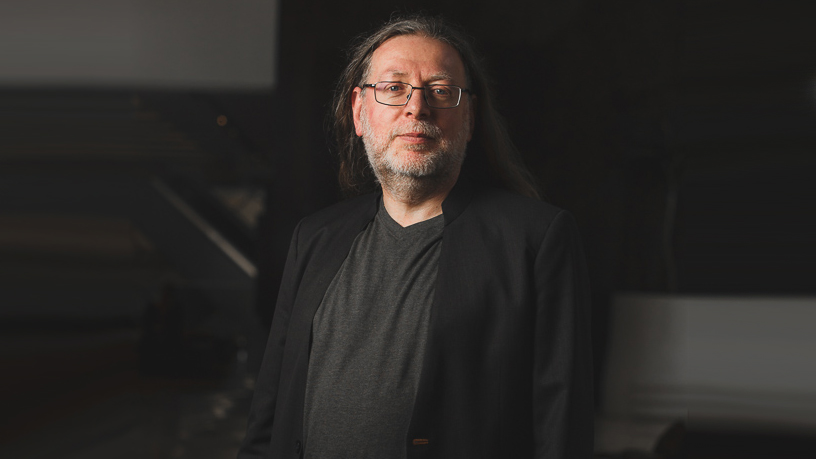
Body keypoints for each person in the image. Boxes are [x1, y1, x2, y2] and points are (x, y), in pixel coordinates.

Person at [239, 14, 593, 459]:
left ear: (469, 117)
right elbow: (269, 414)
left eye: (441, 91)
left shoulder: (535, 240)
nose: (417, 108)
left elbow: (562, 426)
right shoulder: (313, 239)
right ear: (359, 111)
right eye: (394, 88)